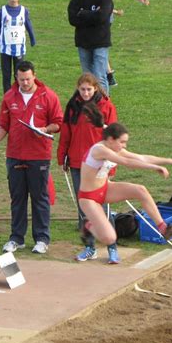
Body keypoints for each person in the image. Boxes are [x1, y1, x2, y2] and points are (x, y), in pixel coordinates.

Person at [77, 122, 172, 264]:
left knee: (140, 190)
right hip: (89, 198)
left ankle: (163, 228)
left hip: (105, 189)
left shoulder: (114, 148)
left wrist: (170, 161)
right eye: (122, 142)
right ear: (111, 140)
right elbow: (127, 162)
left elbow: (141, 157)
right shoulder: (100, 150)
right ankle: (88, 226)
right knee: (110, 238)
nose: (124, 146)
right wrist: (154, 167)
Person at [0, 61, 63, 255]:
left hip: (39, 156)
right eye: (21, 79)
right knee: (17, 198)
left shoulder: (48, 96)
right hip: (14, 155)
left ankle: (41, 238)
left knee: (40, 198)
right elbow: (3, 124)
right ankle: (16, 238)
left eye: (28, 79)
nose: (25, 83)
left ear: (34, 75)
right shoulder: (9, 96)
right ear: (16, 78)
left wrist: (44, 129)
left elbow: (58, 123)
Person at [57, 73, 117, 258]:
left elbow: (114, 138)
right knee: (84, 208)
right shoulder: (72, 106)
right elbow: (66, 133)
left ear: (96, 88)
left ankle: (112, 248)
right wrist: (62, 157)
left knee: (103, 207)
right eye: (82, 89)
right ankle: (89, 247)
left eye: (88, 89)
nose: (85, 93)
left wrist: (111, 166)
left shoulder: (106, 106)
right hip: (77, 163)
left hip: (100, 165)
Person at [82, 0, 149, 87]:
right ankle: (109, 75)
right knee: (100, 48)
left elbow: (101, 7)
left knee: (98, 49)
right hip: (107, 20)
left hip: (100, 22)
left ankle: (108, 77)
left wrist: (115, 11)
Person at [68, 0, 114, 93]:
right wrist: (94, 14)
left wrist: (83, 13)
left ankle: (104, 107)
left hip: (100, 42)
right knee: (87, 78)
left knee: (99, 77)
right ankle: (89, 106)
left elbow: (103, 17)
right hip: (83, 43)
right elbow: (72, 19)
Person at [0, 0, 36, 94]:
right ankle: (7, 98)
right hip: (5, 48)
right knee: (6, 75)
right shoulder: (2, 11)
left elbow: (28, 24)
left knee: (19, 74)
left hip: (19, 47)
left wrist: (32, 38)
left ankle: (19, 96)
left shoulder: (24, 11)